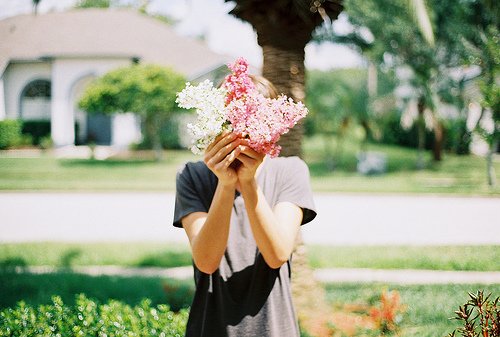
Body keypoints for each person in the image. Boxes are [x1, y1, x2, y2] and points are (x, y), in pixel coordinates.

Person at [173, 75, 316, 337]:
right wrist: (226, 184)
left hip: (274, 328)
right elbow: (206, 261)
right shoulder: (192, 175)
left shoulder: (290, 171)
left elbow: (277, 254)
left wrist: (249, 184)